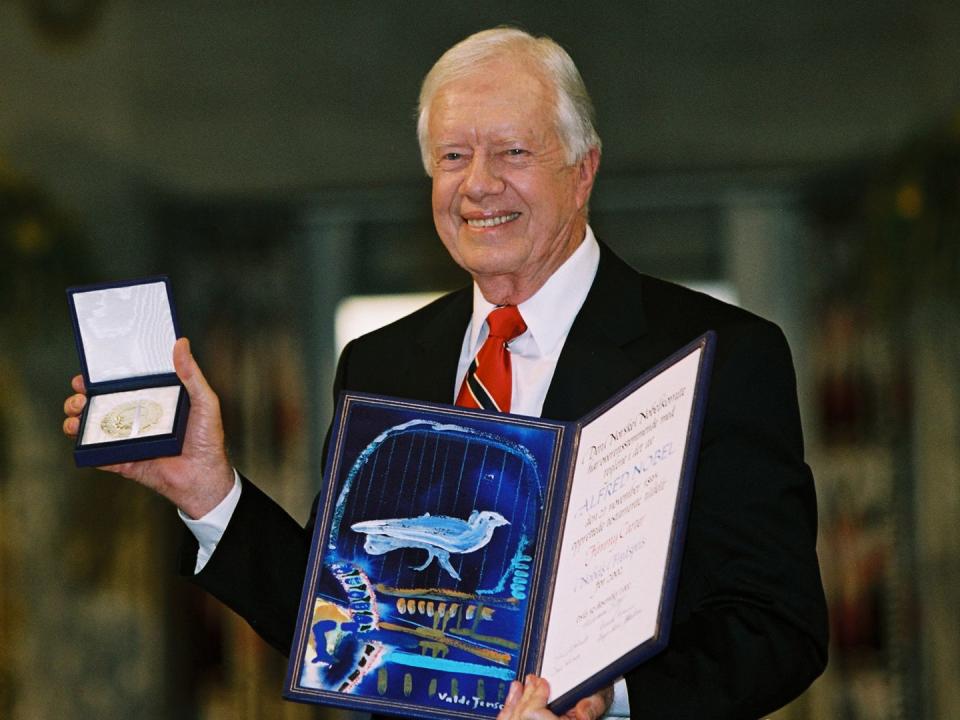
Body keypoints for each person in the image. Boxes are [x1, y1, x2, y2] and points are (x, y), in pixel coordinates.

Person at [63, 27, 827, 720]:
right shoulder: (384, 361)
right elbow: (345, 606)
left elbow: (776, 627)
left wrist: (611, 701)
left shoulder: (716, 352)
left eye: (513, 153)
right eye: (454, 157)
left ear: (584, 169)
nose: (479, 184)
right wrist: (208, 488)